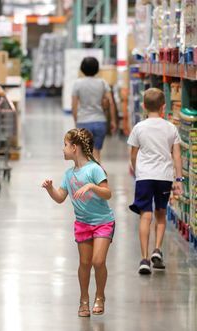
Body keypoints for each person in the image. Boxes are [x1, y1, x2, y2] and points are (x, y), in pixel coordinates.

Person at [42, 128, 115, 317]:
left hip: (102, 222)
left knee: (98, 261)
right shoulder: (68, 174)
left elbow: (108, 193)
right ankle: (84, 300)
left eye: (65, 145)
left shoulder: (94, 169)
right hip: (83, 223)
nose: (63, 149)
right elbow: (60, 198)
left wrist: (91, 186)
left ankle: (100, 296)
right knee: (84, 263)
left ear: (75, 148)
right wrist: (50, 189)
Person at [127, 88, 183, 275]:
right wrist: (178, 179)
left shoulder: (139, 128)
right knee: (160, 214)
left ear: (143, 106)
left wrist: (136, 170)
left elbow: (133, 155)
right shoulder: (171, 128)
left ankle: (144, 259)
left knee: (146, 215)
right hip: (164, 177)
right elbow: (176, 155)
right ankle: (157, 249)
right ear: (163, 107)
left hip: (144, 176)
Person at [71, 56, 117, 162]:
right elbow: (110, 103)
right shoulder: (102, 83)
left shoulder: (77, 84)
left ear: (82, 68)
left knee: (84, 156)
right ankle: (97, 177)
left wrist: (76, 122)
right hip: (100, 121)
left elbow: (74, 106)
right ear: (97, 69)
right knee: (96, 154)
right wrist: (113, 121)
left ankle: (87, 178)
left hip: (83, 122)